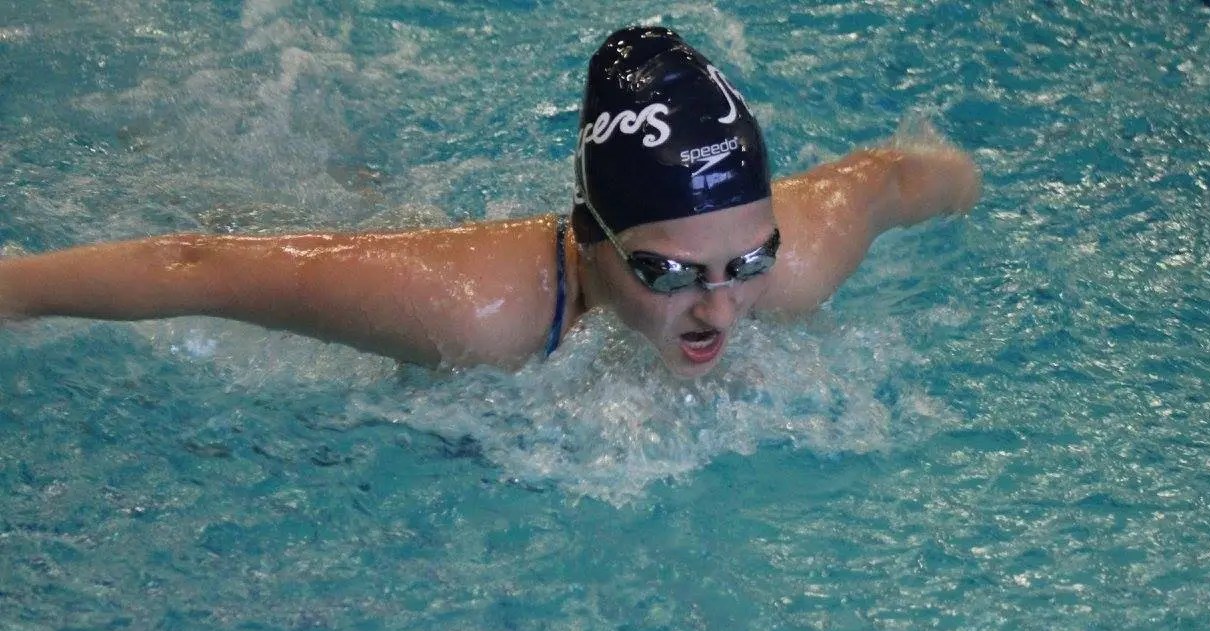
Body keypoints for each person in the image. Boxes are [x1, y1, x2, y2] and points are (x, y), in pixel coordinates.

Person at [0, 25, 980, 379]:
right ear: (591, 238)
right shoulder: (477, 312)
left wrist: (978, 183)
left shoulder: (798, 257)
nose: (721, 309)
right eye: (670, 274)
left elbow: (895, 177)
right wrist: (15, 290)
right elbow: (199, 267)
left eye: (744, 262)